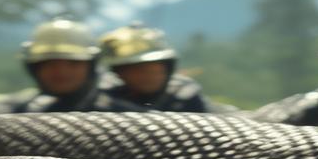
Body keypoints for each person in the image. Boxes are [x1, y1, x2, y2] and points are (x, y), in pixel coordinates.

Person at [0, 17, 147, 116]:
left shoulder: (125, 114)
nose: (61, 71)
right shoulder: (24, 108)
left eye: (72, 63)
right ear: (34, 68)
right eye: (49, 64)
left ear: (90, 66)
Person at [96, 21, 232, 112]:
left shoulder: (184, 96)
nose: (148, 75)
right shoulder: (104, 100)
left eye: (155, 68)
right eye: (137, 69)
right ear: (119, 73)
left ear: (167, 68)